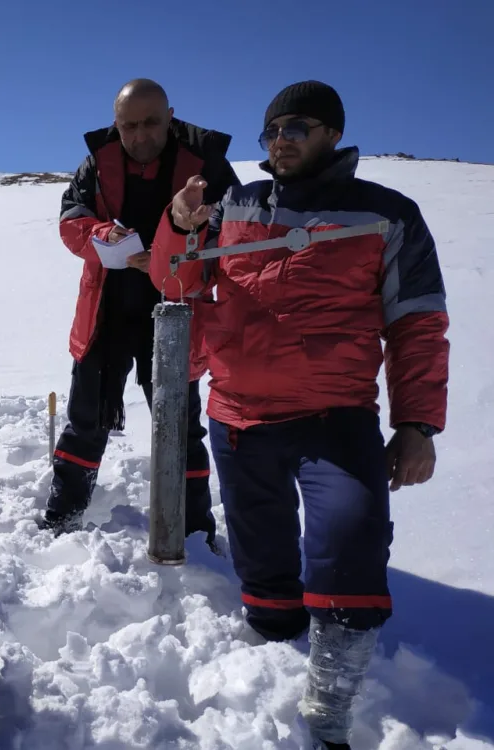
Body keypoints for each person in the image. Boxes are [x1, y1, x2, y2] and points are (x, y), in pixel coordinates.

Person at [150, 81, 449, 749]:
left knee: (351, 539)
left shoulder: (386, 215)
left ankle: (330, 709)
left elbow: (419, 326)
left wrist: (417, 425)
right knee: (263, 569)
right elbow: (174, 284)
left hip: (334, 419)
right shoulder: (234, 206)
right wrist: (177, 225)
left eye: (297, 126)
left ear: (333, 133)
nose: (281, 139)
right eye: (272, 130)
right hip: (237, 417)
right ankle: (271, 647)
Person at [38, 78, 240, 543]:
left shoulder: (205, 163)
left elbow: (231, 233)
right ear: (117, 123)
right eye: (129, 125)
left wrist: (179, 249)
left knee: (181, 427)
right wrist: (104, 235)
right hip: (106, 312)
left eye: (151, 122)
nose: (140, 134)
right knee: (85, 420)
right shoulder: (96, 162)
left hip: (176, 312)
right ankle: (61, 520)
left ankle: (193, 531)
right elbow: (71, 222)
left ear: (171, 116)